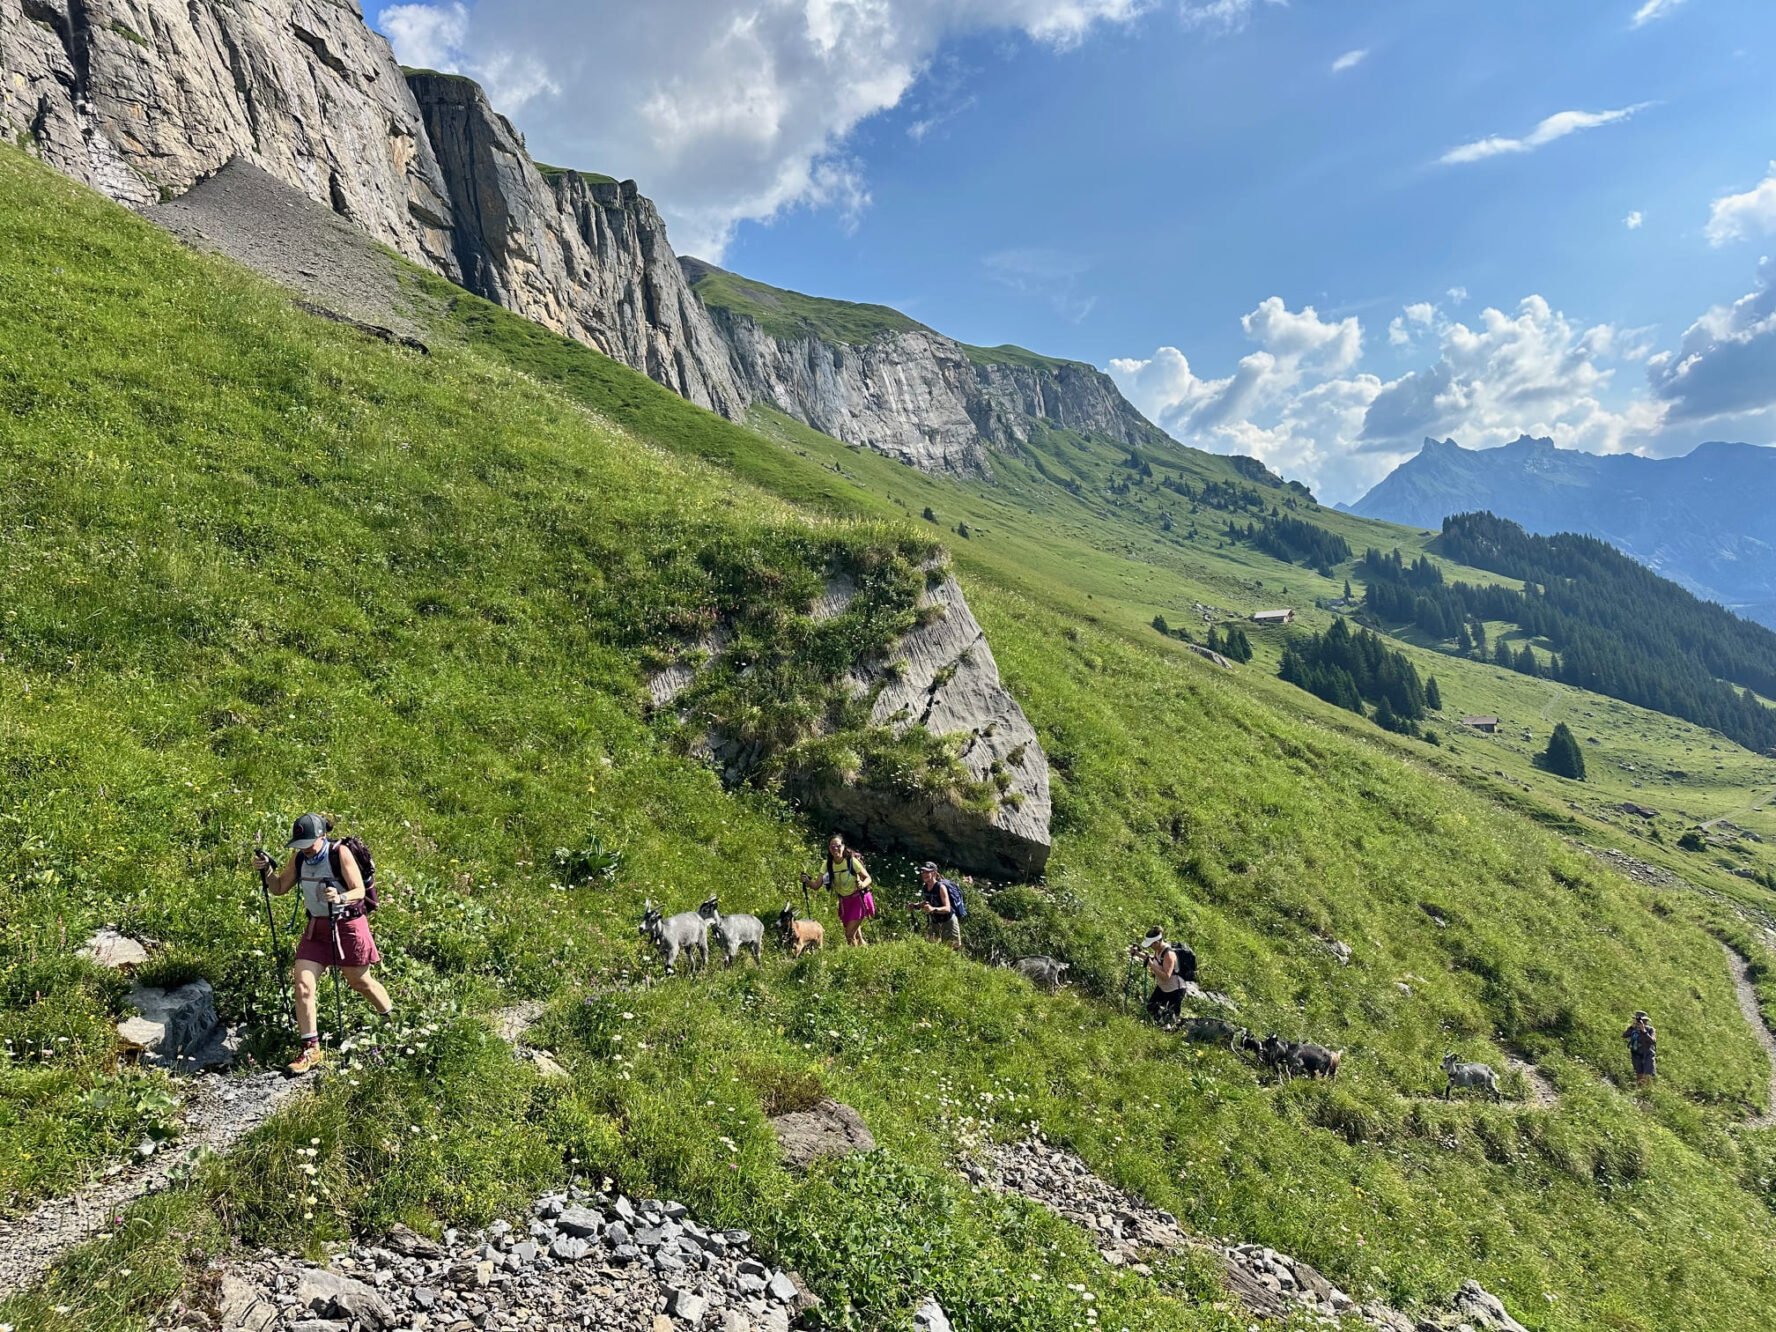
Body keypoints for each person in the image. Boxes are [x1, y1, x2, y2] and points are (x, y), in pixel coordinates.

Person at [254, 813, 393, 1075]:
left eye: (310, 843)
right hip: (316, 928)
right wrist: (267, 871)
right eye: (300, 843)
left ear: (323, 836)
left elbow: (358, 891)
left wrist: (340, 896)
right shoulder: (298, 857)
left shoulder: (339, 853)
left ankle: (392, 1019)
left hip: (348, 926)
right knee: (303, 984)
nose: (305, 848)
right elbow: (280, 887)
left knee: (360, 982)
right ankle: (311, 1049)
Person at [802, 832, 872, 946]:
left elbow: (868, 878)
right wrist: (807, 881)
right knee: (857, 937)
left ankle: (853, 959)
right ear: (829, 848)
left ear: (843, 846)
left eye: (838, 846)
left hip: (859, 899)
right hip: (845, 902)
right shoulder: (827, 864)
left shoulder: (851, 861)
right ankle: (865, 952)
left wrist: (862, 885)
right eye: (832, 847)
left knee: (849, 934)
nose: (835, 849)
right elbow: (816, 886)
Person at [1136, 927, 1192, 1026]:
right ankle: (1154, 1027)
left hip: (1175, 991)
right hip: (1163, 988)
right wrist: (1137, 953)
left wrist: (1150, 965)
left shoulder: (1168, 954)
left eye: (1150, 945)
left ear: (1156, 942)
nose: (1150, 947)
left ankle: (1175, 1032)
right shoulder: (1158, 950)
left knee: (1170, 1019)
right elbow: (1156, 960)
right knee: (1151, 1008)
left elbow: (1166, 976)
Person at [909, 861, 961, 950]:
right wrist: (916, 906)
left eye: (927, 872)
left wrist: (933, 909)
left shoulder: (941, 887)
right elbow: (928, 902)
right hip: (935, 922)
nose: (924, 874)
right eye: (922, 872)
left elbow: (947, 908)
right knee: (929, 947)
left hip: (948, 922)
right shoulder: (925, 887)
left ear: (934, 873)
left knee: (952, 949)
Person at [1624, 1010, 1657, 1086]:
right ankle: (1640, 1088)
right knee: (1639, 1073)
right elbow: (1624, 1035)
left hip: (1648, 1054)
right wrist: (1632, 1027)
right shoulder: (1633, 1029)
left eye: (1643, 1021)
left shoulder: (1650, 1029)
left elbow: (1652, 1041)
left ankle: (1648, 1090)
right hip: (1636, 1054)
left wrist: (1644, 1031)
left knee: (1648, 1074)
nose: (1640, 1023)